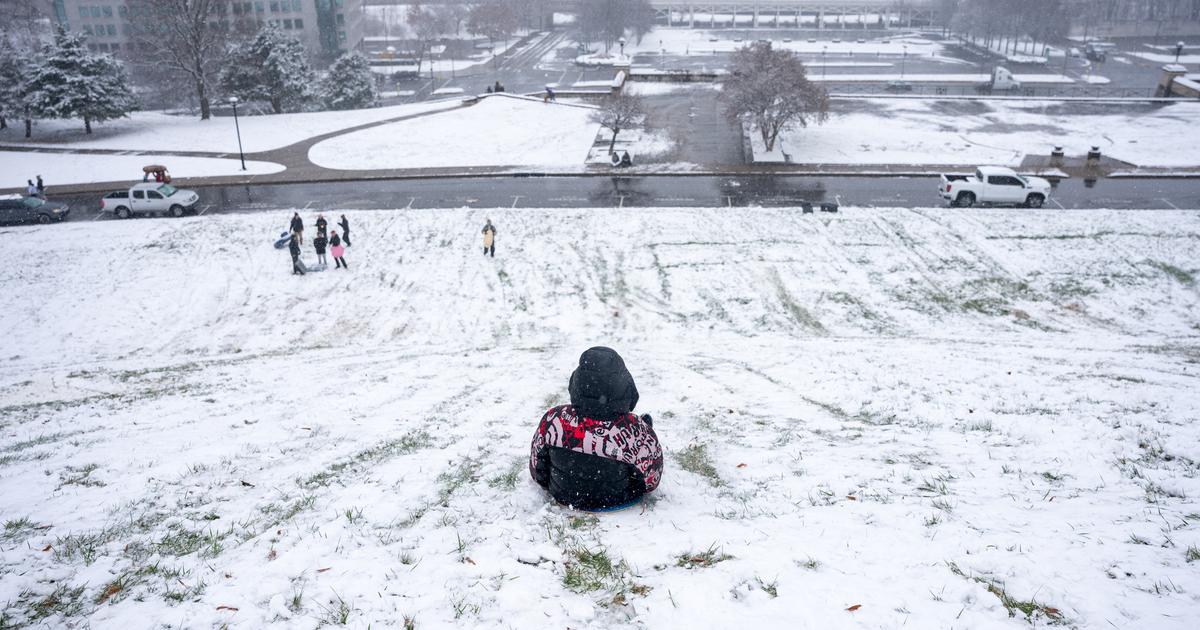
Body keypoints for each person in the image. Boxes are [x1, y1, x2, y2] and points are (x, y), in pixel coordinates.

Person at [529, 347, 663, 510]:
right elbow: (651, 479)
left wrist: (550, 481)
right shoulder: (633, 430)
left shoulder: (554, 419)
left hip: (563, 494)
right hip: (618, 498)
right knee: (641, 434)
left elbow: (537, 466)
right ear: (625, 387)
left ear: (576, 383)